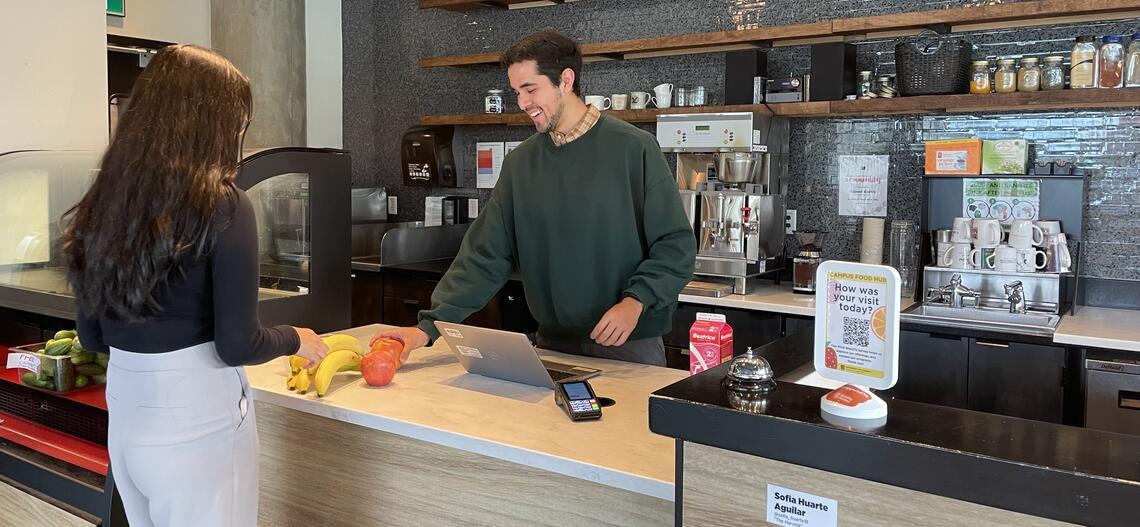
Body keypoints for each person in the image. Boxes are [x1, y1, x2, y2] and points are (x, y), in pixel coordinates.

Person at [62, 45, 328, 527]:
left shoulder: (104, 199)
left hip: (124, 418)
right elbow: (237, 344)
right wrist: (295, 338)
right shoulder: (224, 204)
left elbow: (92, 336)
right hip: (197, 421)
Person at [376, 31, 696, 366]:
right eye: (517, 92)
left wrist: (636, 302)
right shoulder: (520, 163)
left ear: (565, 80)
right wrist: (427, 328)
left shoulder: (634, 148)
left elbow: (675, 246)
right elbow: (484, 256)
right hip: (552, 343)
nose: (523, 103)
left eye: (530, 89)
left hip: (630, 344)